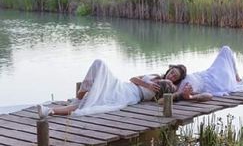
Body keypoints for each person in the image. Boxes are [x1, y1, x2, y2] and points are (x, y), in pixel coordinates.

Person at [37, 59, 178, 116]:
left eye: (175, 78)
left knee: (91, 102)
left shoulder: (162, 90)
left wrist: (181, 92)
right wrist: (146, 84)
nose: (172, 78)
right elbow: (133, 79)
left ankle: (50, 111)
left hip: (129, 95)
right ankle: (79, 96)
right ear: (169, 70)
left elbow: (162, 101)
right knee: (99, 64)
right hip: (124, 86)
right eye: (172, 73)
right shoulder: (153, 76)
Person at [170, 46, 243, 100]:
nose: (171, 76)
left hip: (207, 73)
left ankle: (237, 77)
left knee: (225, 50)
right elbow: (205, 95)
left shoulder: (179, 79)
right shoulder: (179, 90)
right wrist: (190, 97)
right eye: (172, 74)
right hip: (212, 84)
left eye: (173, 74)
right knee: (232, 83)